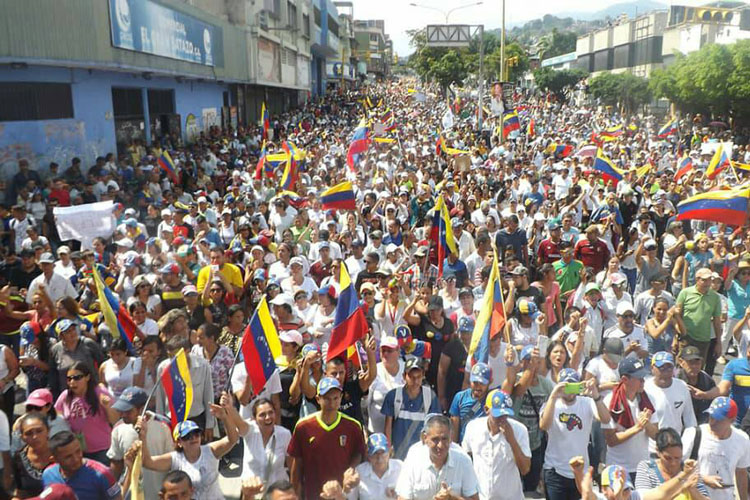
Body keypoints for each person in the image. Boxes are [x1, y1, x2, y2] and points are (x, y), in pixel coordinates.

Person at [138, 392, 240, 500]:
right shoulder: (174, 459)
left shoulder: (211, 450)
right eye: (187, 436)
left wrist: (224, 417)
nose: (193, 438)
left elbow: (233, 439)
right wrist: (143, 436)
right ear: (179, 442)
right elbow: (147, 462)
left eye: (196, 433)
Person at [287, 377, 366, 500]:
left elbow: (359, 453)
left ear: (341, 397)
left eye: (335, 398)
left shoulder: (353, 426)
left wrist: (351, 468)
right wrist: (294, 493)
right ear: (318, 399)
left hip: (342, 494)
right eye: (327, 399)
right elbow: (296, 465)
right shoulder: (303, 426)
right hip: (313, 493)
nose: (332, 403)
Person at [540, 368, 611, 500]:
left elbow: (606, 419)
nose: (570, 391)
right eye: (566, 386)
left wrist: (596, 395)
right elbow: (544, 426)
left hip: (580, 471)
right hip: (555, 470)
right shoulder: (550, 404)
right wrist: (554, 395)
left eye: (573, 385)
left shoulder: (587, 402)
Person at [461, 389, 531, 500]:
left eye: (506, 414)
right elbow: (465, 457)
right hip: (481, 497)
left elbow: (525, 469)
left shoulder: (519, 430)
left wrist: (512, 440)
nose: (503, 419)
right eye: (498, 415)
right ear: (486, 410)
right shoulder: (473, 428)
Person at [107, 386, 173, 499]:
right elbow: (116, 464)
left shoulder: (164, 426)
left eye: (128, 411)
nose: (123, 415)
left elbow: (173, 461)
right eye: (121, 411)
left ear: (141, 409)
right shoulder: (118, 428)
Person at [395, 413, 479, 500]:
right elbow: (402, 498)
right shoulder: (413, 460)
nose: (440, 445)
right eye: (435, 439)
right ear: (425, 438)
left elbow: (474, 498)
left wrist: (452, 497)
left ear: (451, 438)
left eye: (444, 439)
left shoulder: (463, 461)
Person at [681, 397, 750, 500]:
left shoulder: (742, 440)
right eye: (711, 417)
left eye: (718, 420)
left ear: (732, 420)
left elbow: (741, 473)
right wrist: (703, 479)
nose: (712, 422)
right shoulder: (693, 434)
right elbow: (677, 467)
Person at [602, 357, 658, 478]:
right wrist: (637, 428)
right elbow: (611, 440)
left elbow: (656, 435)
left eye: (643, 377)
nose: (643, 381)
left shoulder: (648, 400)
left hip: (643, 469)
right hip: (617, 468)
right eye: (639, 378)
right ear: (624, 379)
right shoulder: (610, 402)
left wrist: (646, 424)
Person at [54, 361, 118, 465]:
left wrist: (107, 407)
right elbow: (56, 414)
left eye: (77, 378)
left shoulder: (99, 392)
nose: (72, 382)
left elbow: (115, 420)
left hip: (101, 450)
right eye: (69, 379)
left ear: (87, 377)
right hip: (77, 452)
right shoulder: (65, 396)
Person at [381, 357, 440, 460]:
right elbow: (388, 428)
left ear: (423, 376)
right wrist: (388, 450)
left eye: (418, 377)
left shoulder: (430, 397)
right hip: (397, 456)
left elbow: (435, 427)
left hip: (422, 457)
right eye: (411, 377)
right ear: (404, 376)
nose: (415, 380)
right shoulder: (393, 396)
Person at [232, 397, 291, 495]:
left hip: (277, 494)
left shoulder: (285, 434)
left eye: (271, 412)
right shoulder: (250, 431)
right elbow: (238, 423)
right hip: (252, 493)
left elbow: (292, 466)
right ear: (254, 419)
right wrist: (230, 408)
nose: (268, 417)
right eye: (262, 415)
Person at [42, 430, 121, 500]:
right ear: (55, 460)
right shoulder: (48, 474)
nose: (76, 459)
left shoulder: (102, 474)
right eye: (68, 457)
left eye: (78, 451)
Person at [634, 427, 710, 499]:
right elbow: (643, 498)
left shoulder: (690, 470)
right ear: (657, 451)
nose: (673, 463)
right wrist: (681, 486)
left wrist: (692, 490)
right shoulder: (647, 468)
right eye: (668, 458)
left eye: (677, 458)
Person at [644, 351, 697, 453]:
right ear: (652, 368)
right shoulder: (644, 389)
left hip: (674, 449)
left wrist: (687, 447)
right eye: (661, 368)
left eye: (669, 368)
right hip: (650, 449)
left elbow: (690, 420)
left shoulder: (682, 386)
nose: (665, 372)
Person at [332, 433, 403, 500]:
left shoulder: (401, 467)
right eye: (375, 454)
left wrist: (397, 495)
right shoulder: (359, 472)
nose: (379, 458)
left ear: (390, 452)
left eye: (383, 453)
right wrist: (346, 489)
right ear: (368, 455)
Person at [676, 267, 723, 364]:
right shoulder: (685, 293)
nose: (707, 283)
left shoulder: (715, 297)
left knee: (697, 369)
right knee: (681, 367)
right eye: (704, 280)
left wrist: (718, 342)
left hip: (703, 339)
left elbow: (717, 321)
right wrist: (675, 337)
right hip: (686, 337)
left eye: (710, 280)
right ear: (697, 279)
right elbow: (676, 316)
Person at [11, 412, 53, 498]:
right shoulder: (18, 459)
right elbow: (19, 493)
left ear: (48, 431)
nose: (35, 437)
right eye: (29, 433)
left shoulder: (61, 452)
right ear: (22, 437)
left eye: (39, 431)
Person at [448, 362, 491, 443]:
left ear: (489, 382)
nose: (478, 386)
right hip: (463, 445)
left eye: (482, 383)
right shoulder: (460, 397)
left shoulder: (491, 399)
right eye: (475, 382)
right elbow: (454, 426)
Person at [677, 345, 717, 424]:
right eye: (691, 362)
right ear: (681, 362)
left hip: (701, 422)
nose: (694, 366)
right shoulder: (675, 380)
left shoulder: (707, 380)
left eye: (697, 362)